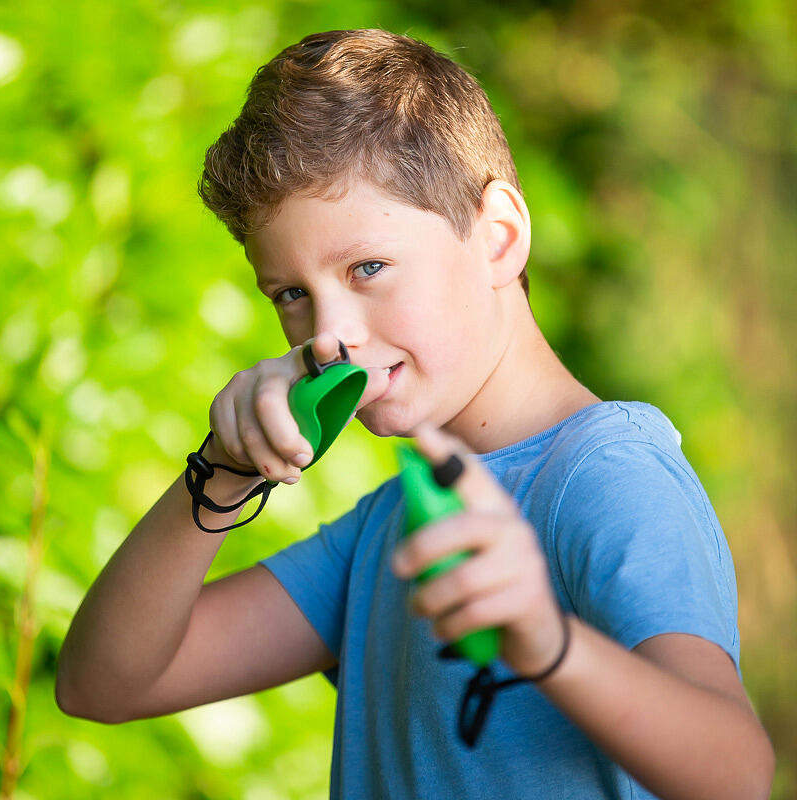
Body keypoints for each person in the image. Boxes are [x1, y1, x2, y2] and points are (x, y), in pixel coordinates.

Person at [55, 28, 774, 799]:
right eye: (291, 294)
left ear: (499, 237)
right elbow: (105, 684)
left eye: (367, 267)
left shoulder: (605, 477)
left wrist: (548, 644)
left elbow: (737, 775)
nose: (327, 334)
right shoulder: (389, 525)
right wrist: (222, 472)